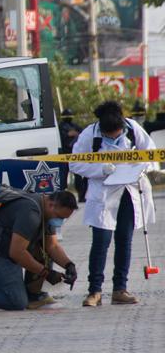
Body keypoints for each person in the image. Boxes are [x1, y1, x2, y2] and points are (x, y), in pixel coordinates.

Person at [69, 100, 156, 306]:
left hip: (129, 190)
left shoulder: (133, 129)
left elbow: (151, 154)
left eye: (117, 133)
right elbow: (74, 163)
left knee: (124, 240)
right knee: (101, 241)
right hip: (104, 193)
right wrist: (100, 169)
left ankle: (120, 289)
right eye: (110, 135)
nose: (114, 137)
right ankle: (94, 291)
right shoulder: (90, 134)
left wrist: (140, 165)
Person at [59, 108, 87, 202]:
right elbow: (64, 136)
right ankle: (61, 198)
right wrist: (69, 134)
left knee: (79, 177)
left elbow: (82, 133)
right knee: (63, 178)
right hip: (64, 155)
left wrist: (75, 134)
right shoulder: (60, 127)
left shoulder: (74, 126)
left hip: (74, 155)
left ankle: (81, 196)